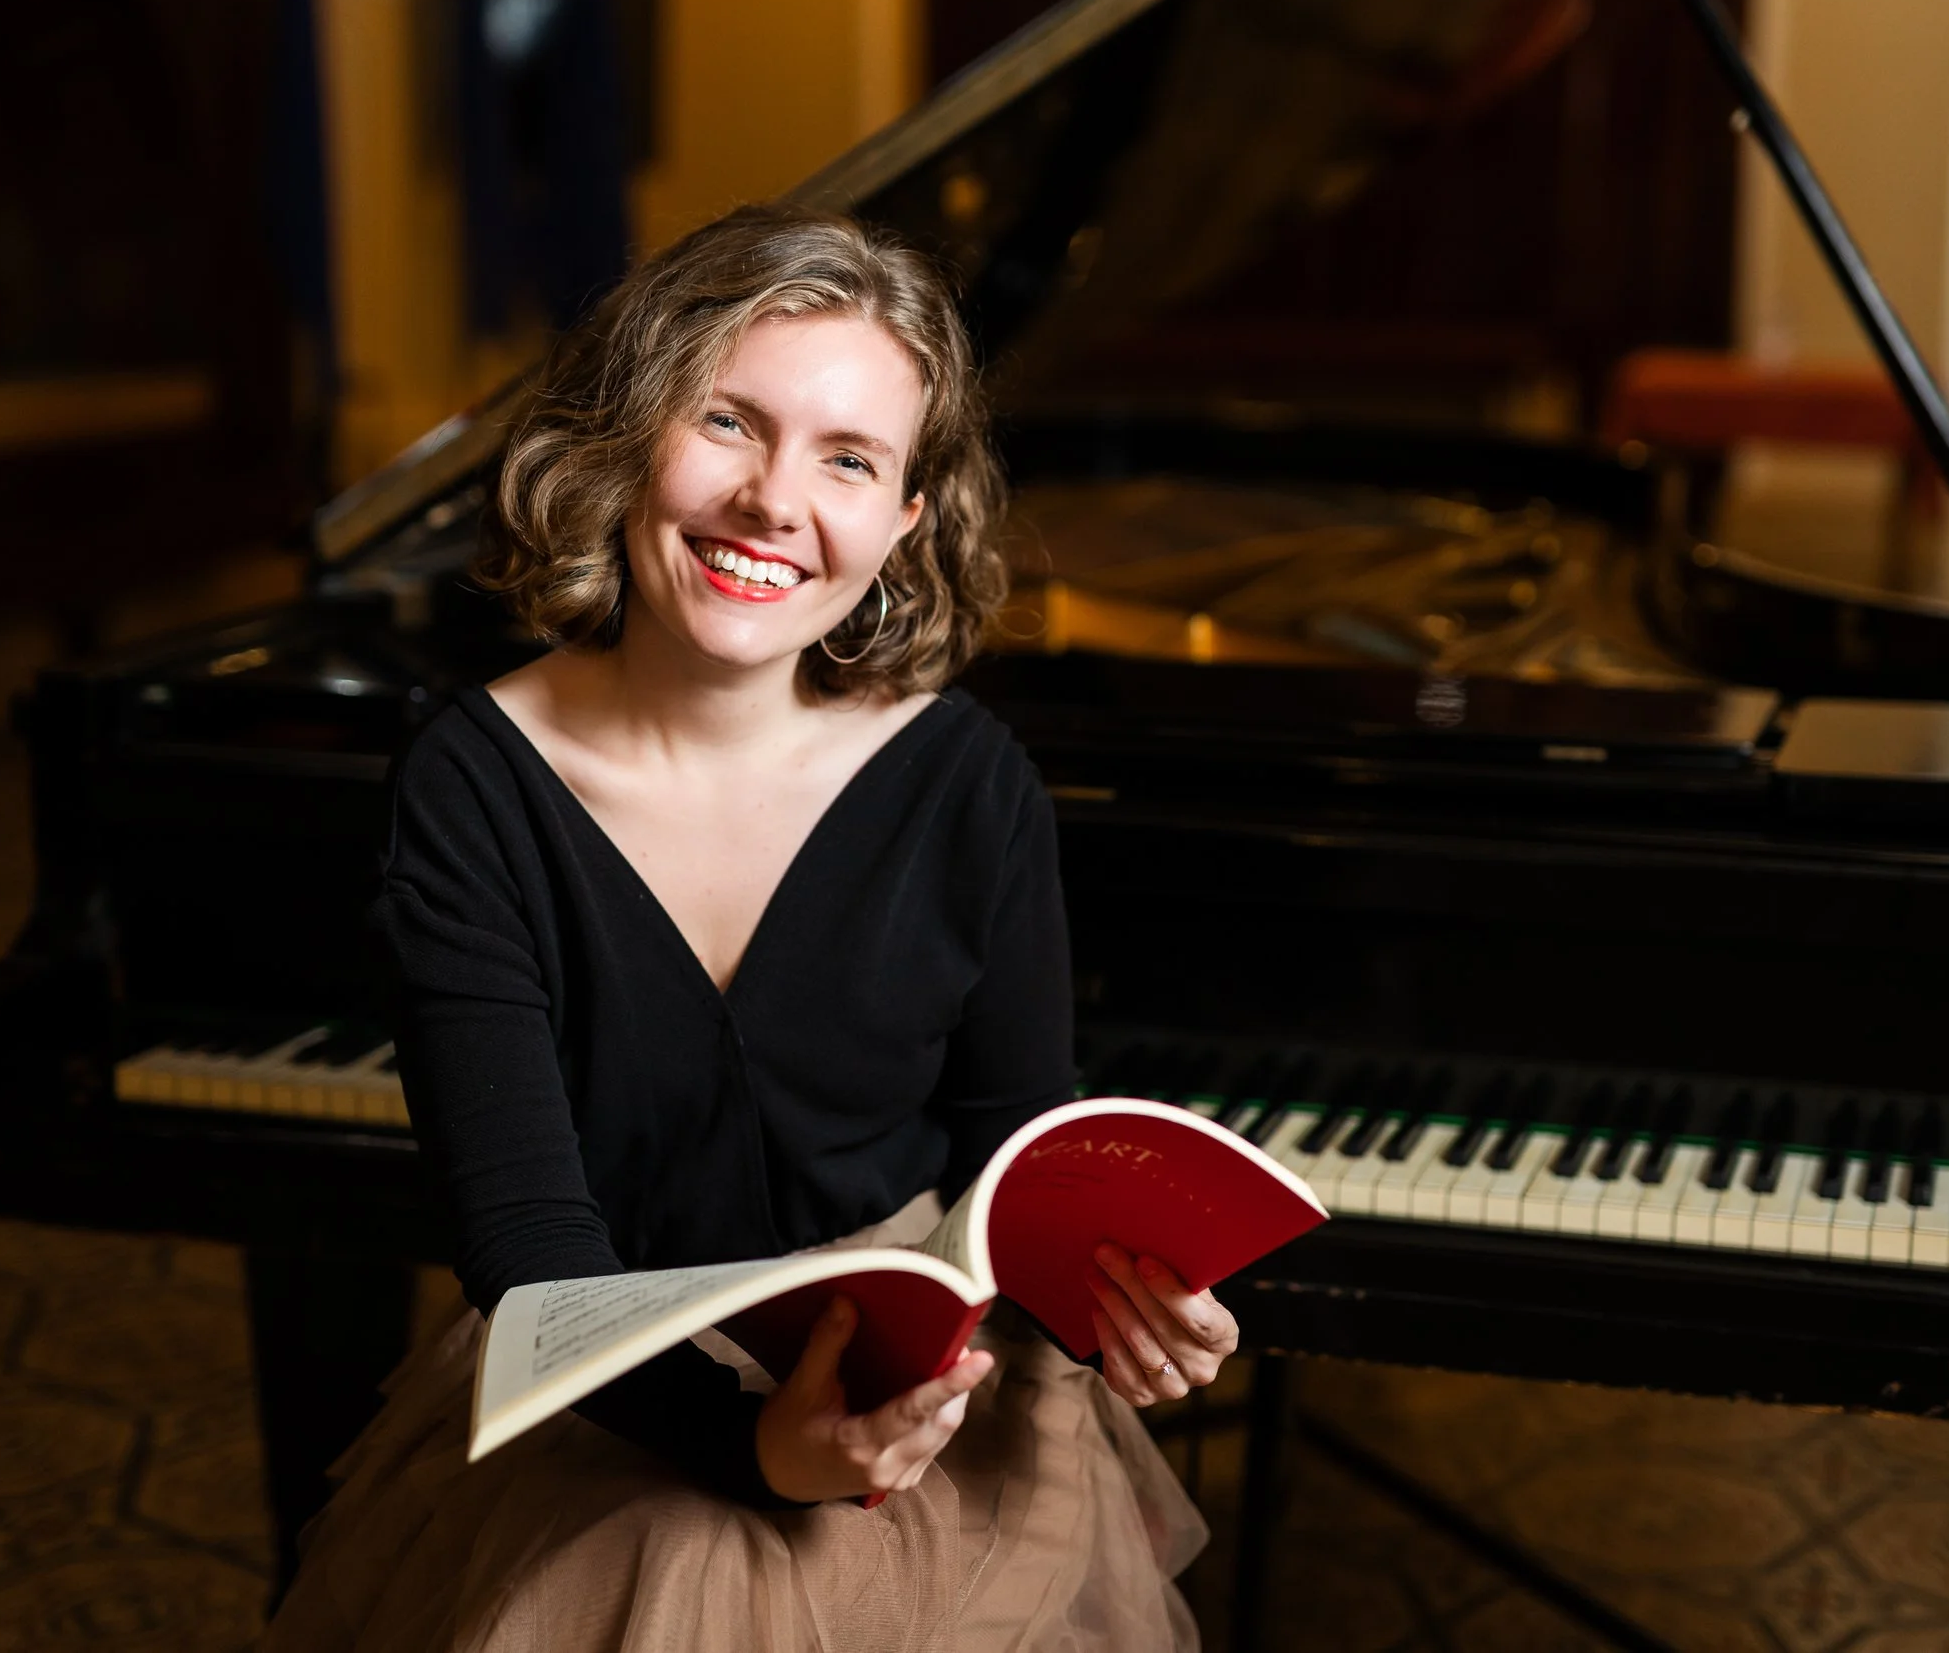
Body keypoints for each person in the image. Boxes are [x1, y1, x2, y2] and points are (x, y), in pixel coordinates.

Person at [262, 205, 1237, 1652]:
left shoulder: (971, 782)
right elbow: (533, 1251)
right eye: (728, 422)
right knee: (660, 1565)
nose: (776, 501)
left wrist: (1120, 1300)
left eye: (849, 458)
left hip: (926, 1387)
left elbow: (1008, 1156)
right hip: (605, 1370)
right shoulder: (471, 785)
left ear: (907, 519)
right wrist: (759, 1452)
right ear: (630, 432)